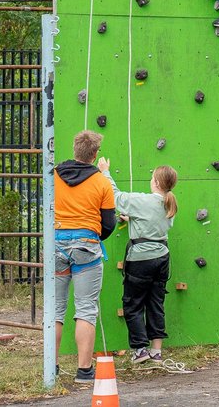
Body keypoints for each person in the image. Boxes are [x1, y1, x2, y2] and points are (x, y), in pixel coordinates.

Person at [98, 159, 178, 365]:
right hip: (161, 258)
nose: (151, 180)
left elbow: (115, 196)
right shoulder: (169, 205)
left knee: (132, 304)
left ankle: (140, 349)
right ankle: (156, 351)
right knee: (155, 303)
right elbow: (152, 221)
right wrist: (132, 218)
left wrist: (105, 172)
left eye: (152, 178)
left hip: (141, 258)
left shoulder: (143, 201)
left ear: (157, 183)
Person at [53, 130, 115, 383]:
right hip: (87, 247)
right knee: (86, 309)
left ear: (74, 149)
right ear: (95, 154)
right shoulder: (101, 182)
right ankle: (84, 370)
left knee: (55, 310)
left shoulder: (54, 174)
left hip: (56, 243)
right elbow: (108, 223)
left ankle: (52, 366)